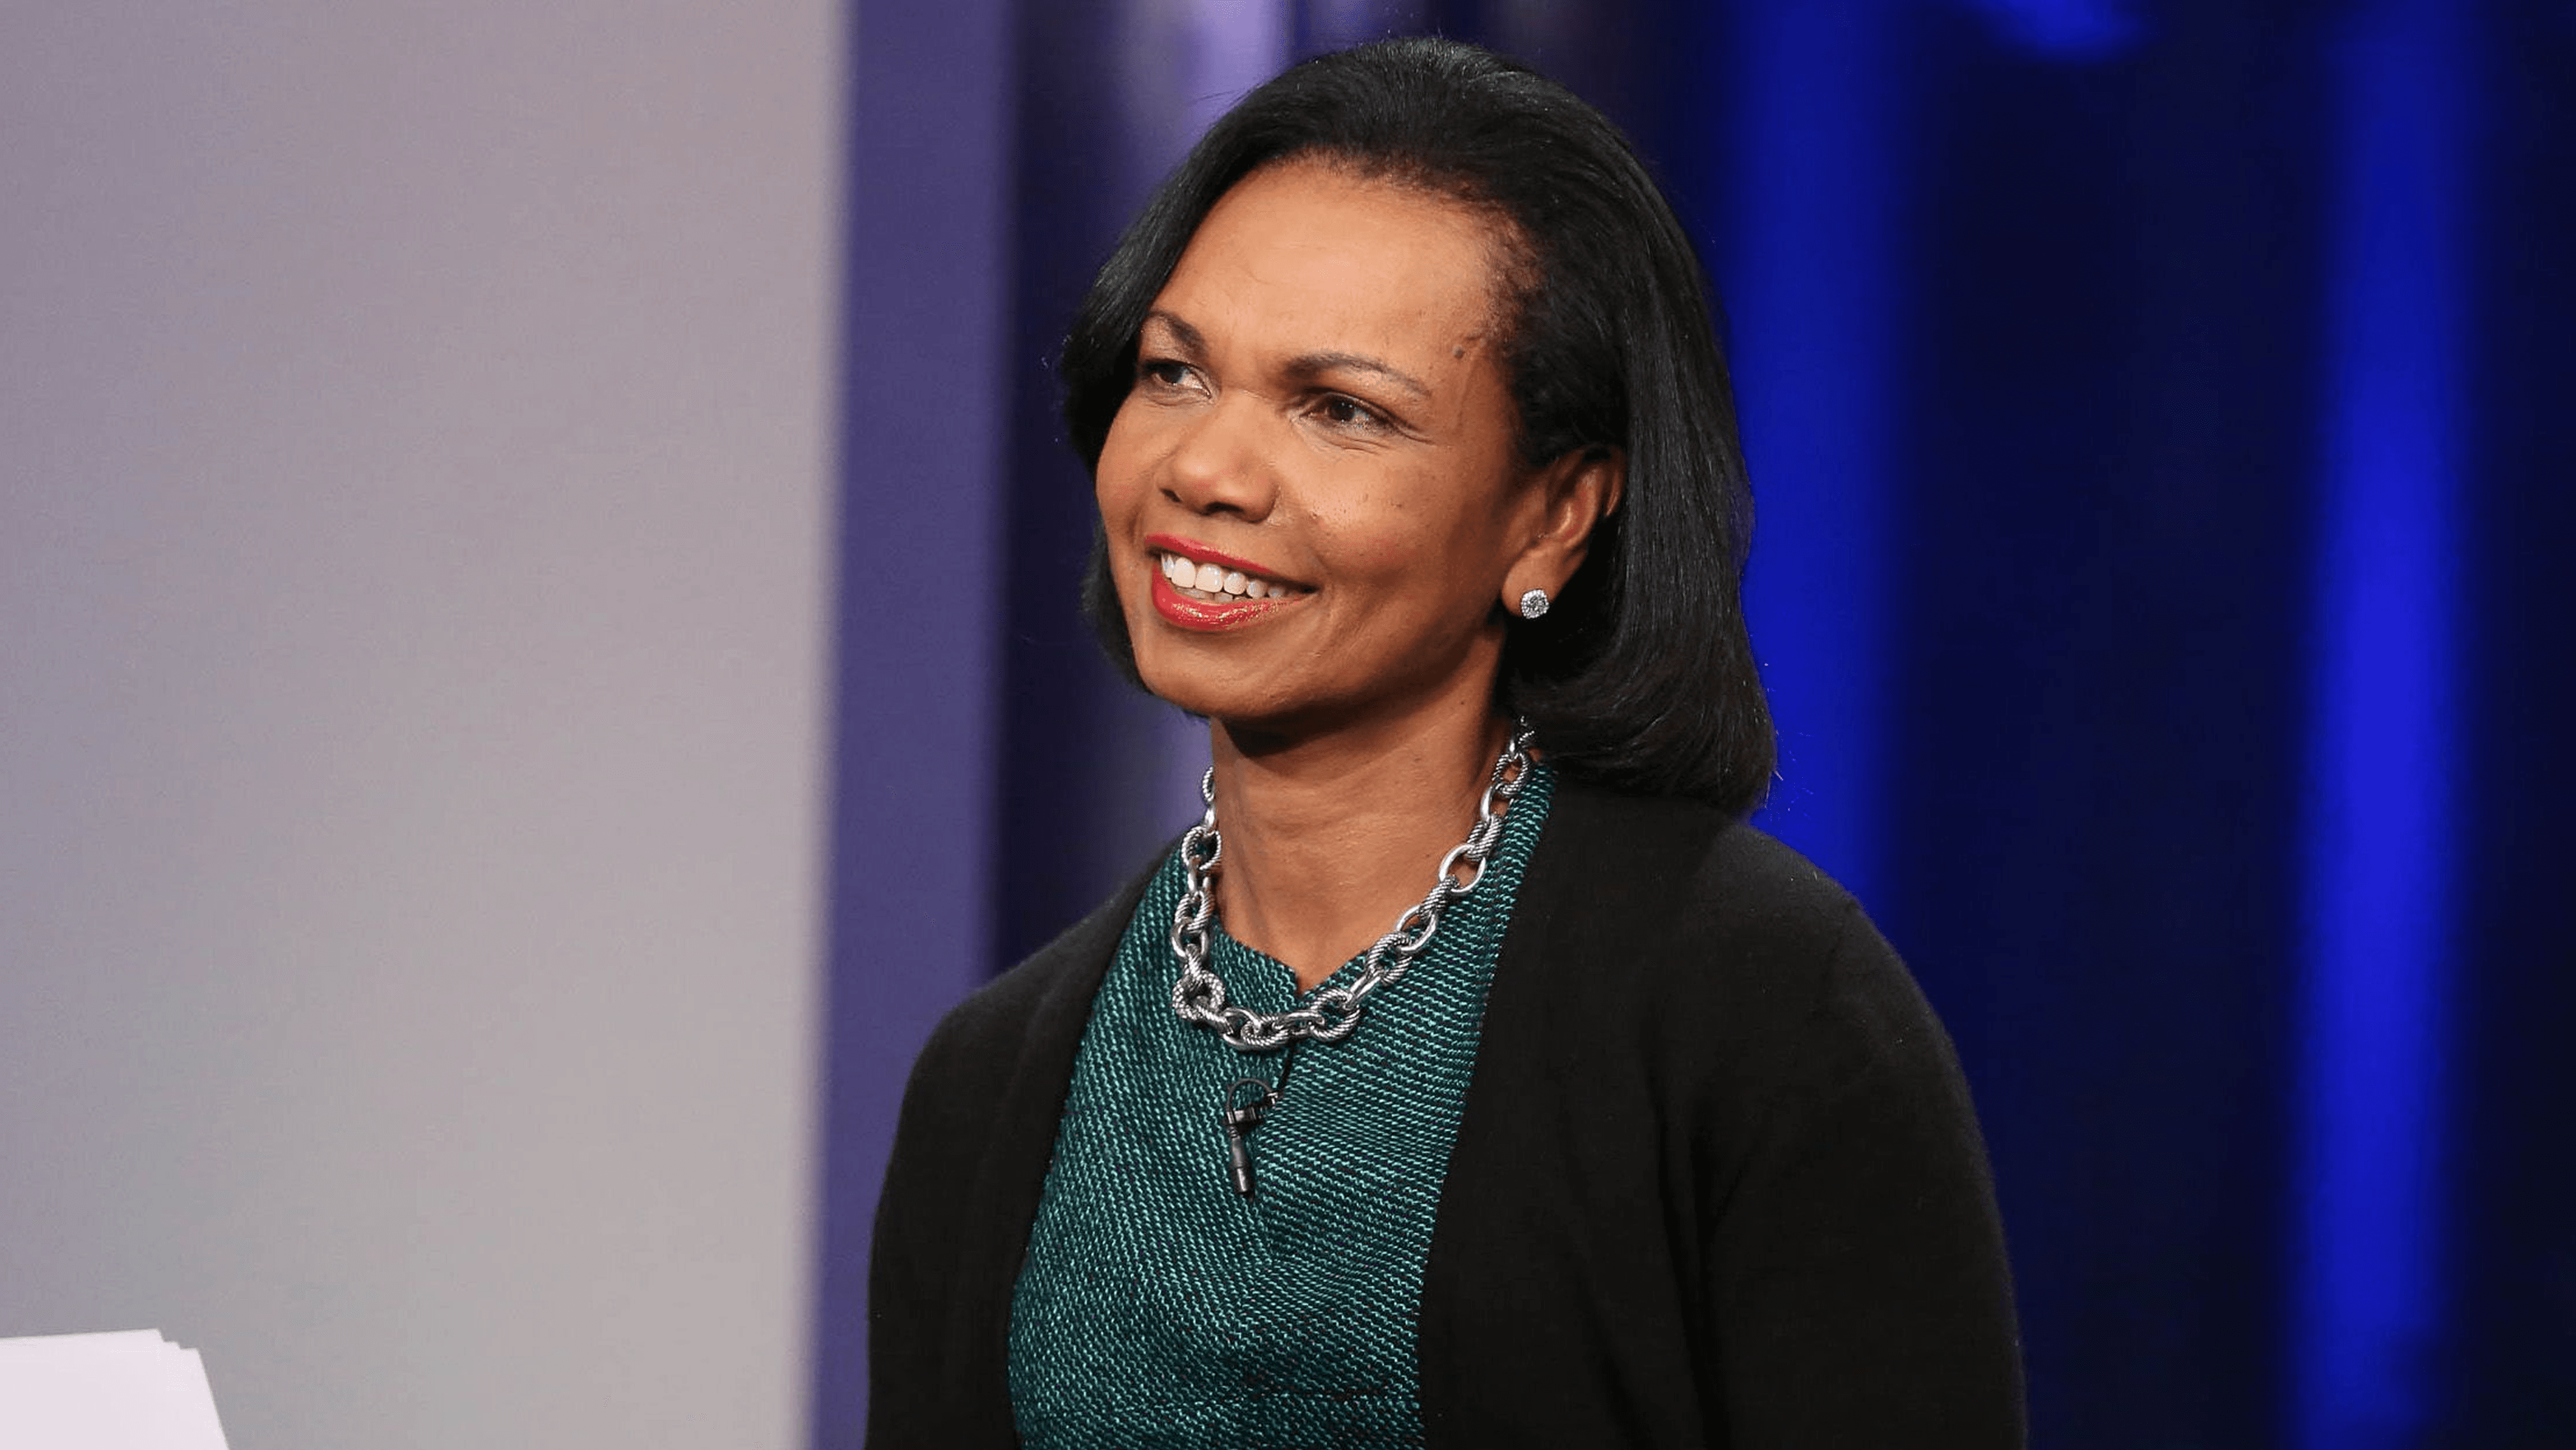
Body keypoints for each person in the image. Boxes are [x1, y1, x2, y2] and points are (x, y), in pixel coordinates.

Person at [867, 36, 2023, 1449]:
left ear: (1553, 515)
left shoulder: (1768, 1014)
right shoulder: (991, 1079)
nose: (1206, 469)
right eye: (1174, 374)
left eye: (1339, 409)